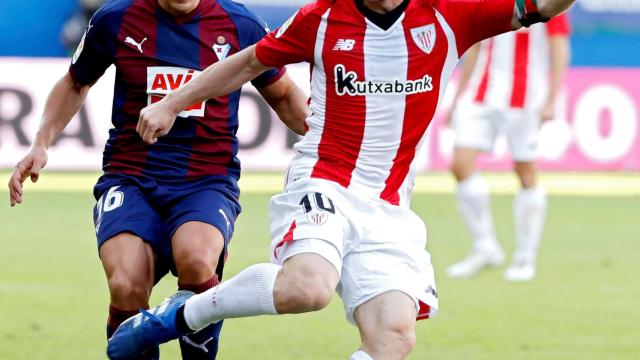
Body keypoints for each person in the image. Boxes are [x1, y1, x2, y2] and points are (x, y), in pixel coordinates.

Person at [107, 0, 576, 359]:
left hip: (390, 204)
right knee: (308, 289)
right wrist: (173, 101)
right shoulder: (322, 18)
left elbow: (544, 6)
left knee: (393, 338)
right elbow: (249, 62)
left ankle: (183, 311)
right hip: (324, 180)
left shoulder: (451, 14)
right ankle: (186, 313)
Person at [8, 0, 308, 359]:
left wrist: (336, 143)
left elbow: (285, 94)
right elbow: (75, 82)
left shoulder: (239, 23)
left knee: (197, 261)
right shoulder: (116, 18)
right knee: (126, 285)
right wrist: (41, 143)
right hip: (131, 176)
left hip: (206, 180)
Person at [445, 13, 571, 281]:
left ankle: (525, 257)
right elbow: (475, 46)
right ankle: (485, 245)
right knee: (460, 164)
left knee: (525, 171)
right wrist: (457, 97)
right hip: (481, 94)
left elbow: (559, 46)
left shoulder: (546, 4)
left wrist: (552, 99)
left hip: (526, 97)